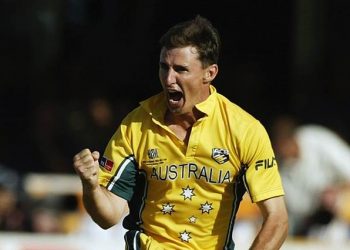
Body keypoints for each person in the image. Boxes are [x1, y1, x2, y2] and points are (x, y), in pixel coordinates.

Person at [73, 15, 288, 249]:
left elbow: (277, 219)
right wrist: (91, 186)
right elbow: (108, 216)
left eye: (181, 70)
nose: (168, 79)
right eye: (164, 67)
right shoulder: (135, 126)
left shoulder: (245, 130)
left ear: (210, 73)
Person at [271, 115, 350, 238]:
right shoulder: (282, 169)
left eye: (285, 144)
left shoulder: (316, 138)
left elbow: (347, 164)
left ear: (292, 138)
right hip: (319, 220)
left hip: (343, 198)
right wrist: (321, 197)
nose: (283, 150)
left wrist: (339, 190)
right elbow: (300, 209)